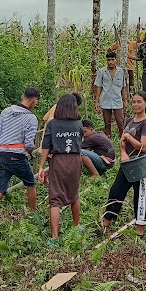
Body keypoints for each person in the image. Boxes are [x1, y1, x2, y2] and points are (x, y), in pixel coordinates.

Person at [0, 88, 41, 238]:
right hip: (17, 157)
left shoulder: (6, 111)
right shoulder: (31, 118)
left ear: (22, 96)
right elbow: (28, 143)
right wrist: (30, 151)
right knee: (31, 183)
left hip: (1, 155)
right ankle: (34, 214)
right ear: (34, 101)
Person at [102, 91, 146, 237]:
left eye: (139, 102)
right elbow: (122, 141)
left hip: (141, 165)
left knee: (140, 196)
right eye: (134, 102)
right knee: (116, 191)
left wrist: (129, 136)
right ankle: (107, 223)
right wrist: (123, 153)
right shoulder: (129, 121)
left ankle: (140, 231)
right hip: (127, 164)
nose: (136, 104)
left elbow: (143, 147)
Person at [38, 94, 84, 245]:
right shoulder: (78, 124)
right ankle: (77, 227)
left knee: (55, 199)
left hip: (58, 160)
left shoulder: (53, 124)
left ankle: (54, 237)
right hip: (75, 159)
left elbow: (45, 146)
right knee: (74, 194)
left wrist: (41, 167)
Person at [94, 50, 127, 138]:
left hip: (117, 100)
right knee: (107, 123)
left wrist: (125, 100)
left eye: (112, 60)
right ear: (106, 61)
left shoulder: (121, 72)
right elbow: (99, 87)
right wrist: (97, 101)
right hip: (106, 100)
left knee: (120, 122)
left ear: (116, 60)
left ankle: (122, 138)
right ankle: (107, 139)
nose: (110, 62)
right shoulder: (102, 72)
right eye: (109, 60)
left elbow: (123, 87)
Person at [108, 27, 140, 93]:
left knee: (131, 83)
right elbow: (109, 50)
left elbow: (139, 42)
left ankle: (131, 96)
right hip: (119, 68)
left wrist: (138, 30)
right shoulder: (117, 44)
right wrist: (114, 58)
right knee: (119, 83)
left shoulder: (132, 43)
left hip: (129, 67)